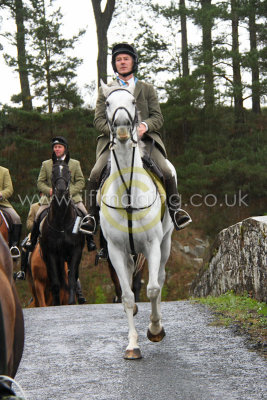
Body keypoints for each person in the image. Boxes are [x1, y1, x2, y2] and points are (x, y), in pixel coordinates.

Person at [86, 42, 191, 234]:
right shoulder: (106, 90)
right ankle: (92, 217)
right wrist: (117, 131)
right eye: (118, 60)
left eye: (126, 59)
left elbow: (158, 117)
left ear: (133, 62)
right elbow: (98, 120)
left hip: (146, 142)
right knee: (95, 173)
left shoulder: (146, 89)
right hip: (114, 144)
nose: (122, 62)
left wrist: (144, 126)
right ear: (114, 64)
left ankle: (176, 212)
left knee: (167, 171)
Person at [26, 136, 96, 253]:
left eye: (59, 147)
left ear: (65, 149)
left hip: (72, 198)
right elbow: (40, 182)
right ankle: (32, 241)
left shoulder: (74, 163)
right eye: (55, 147)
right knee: (38, 216)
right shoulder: (46, 164)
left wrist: (69, 192)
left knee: (85, 214)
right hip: (50, 199)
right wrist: (49, 190)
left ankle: (90, 241)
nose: (57, 149)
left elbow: (81, 181)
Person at [0, 165, 22, 258]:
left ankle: (13, 246)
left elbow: (9, 189)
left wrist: (1, 194)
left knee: (16, 218)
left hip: (2, 203)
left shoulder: (4, 171)